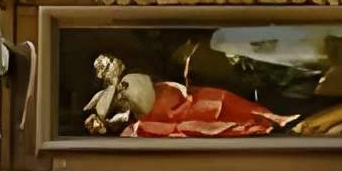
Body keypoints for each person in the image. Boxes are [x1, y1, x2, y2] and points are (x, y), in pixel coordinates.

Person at [82, 49, 296, 137]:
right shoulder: (106, 97)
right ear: (102, 74)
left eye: (109, 60)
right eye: (106, 65)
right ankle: (262, 127)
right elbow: (119, 117)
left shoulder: (132, 76)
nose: (111, 64)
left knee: (222, 99)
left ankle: (274, 118)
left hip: (182, 97)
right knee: (217, 124)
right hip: (168, 115)